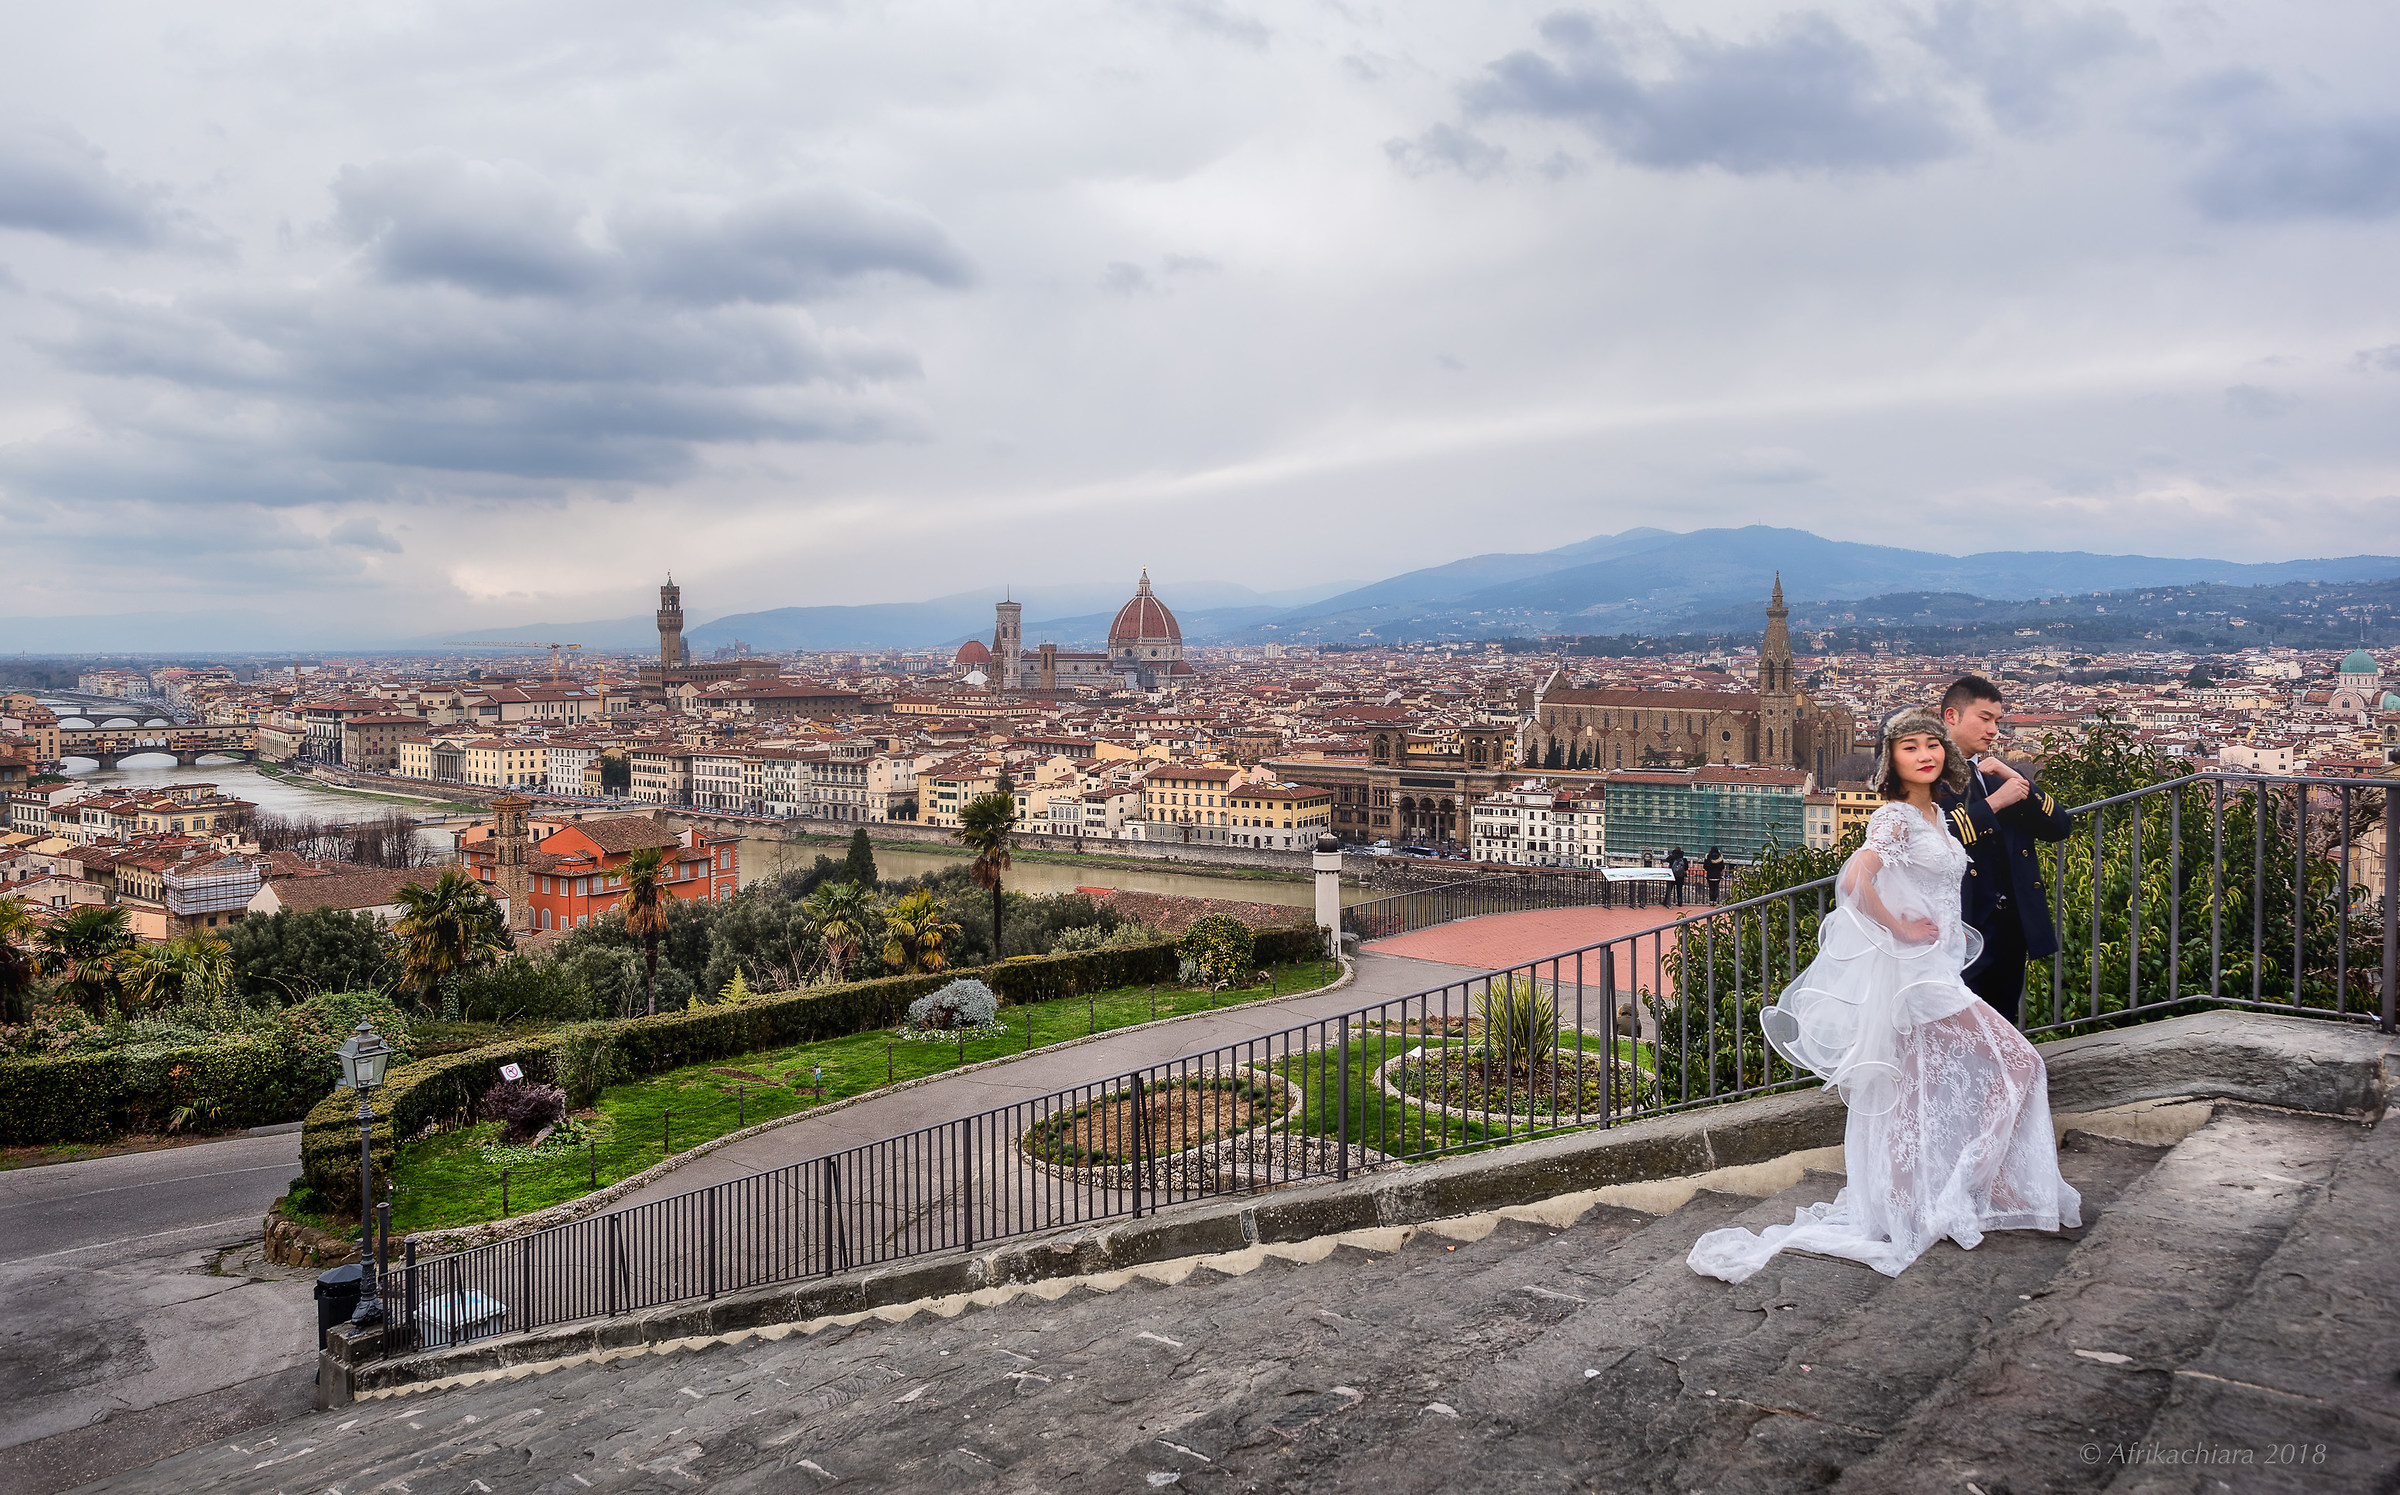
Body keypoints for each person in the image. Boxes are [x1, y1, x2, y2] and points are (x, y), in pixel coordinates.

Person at [1686, 708, 2081, 1283]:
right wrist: (1899, 928)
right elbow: (1853, 880)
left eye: (1932, 745)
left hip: (1933, 971)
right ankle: (1973, 1182)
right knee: (2020, 1064)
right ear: (1890, 760)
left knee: (1909, 1095)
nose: (1925, 755)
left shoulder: (1937, 816)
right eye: (1909, 747)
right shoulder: (1896, 817)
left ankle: (1905, 1205)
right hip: (1920, 980)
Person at [1937, 676, 2076, 1027]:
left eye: (1997, 721)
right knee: (1962, 1026)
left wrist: (2019, 782)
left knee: (2003, 1021)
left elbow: (2058, 827)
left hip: (2009, 925)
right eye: (1985, 718)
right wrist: (1996, 802)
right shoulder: (1928, 772)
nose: (1994, 731)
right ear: (1951, 716)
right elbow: (1936, 838)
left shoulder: (1993, 773)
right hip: (1962, 924)